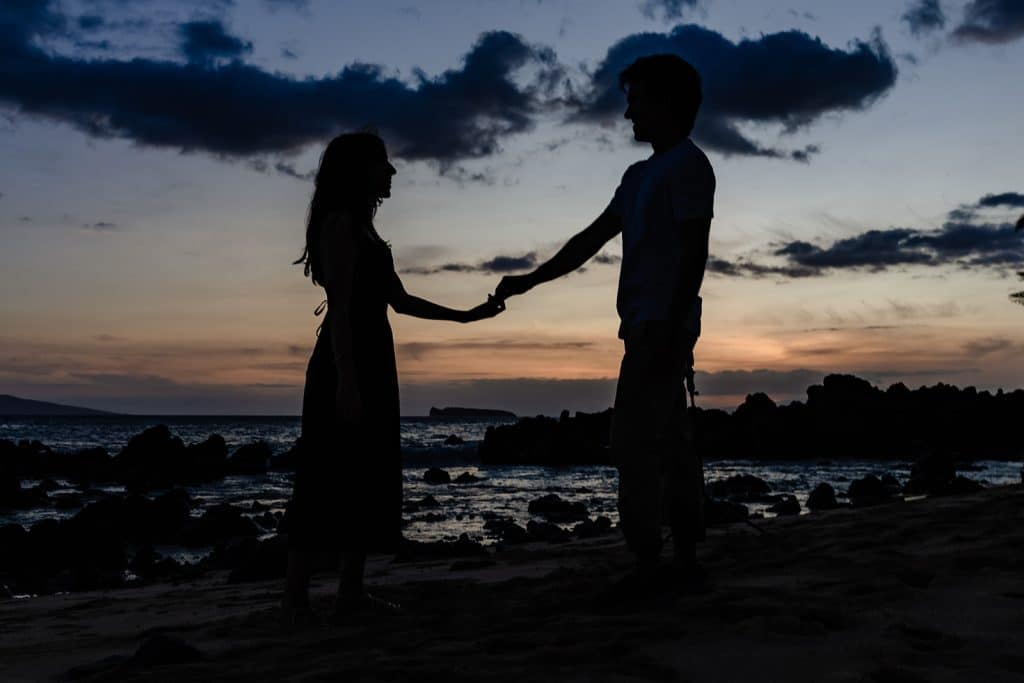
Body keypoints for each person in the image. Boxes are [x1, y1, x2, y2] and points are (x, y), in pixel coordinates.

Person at [494, 54, 714, 593]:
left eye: (636, 101)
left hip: (660, 327)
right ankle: (681, 557)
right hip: (645, 326)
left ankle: (652, 561)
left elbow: (694, 253)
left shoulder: (688, 165)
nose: (627, 115)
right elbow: (590, 240)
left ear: (667, 103)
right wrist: (530, 280)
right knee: (668, 443)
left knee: (635, 444)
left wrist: (672, 325)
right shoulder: (638, 177)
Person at [282, 132, 504, 626]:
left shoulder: (365, 229)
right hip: (348, 363)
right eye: (383, 163)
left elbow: (400, 301)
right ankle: (295, 599)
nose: (392, 172)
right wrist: (346, 381)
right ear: (360, 169)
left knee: (365, 473)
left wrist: (466, 317)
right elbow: (339, 310)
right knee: (322, 477)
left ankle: (350, 593)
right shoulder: (340, 224)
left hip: (375, 363)